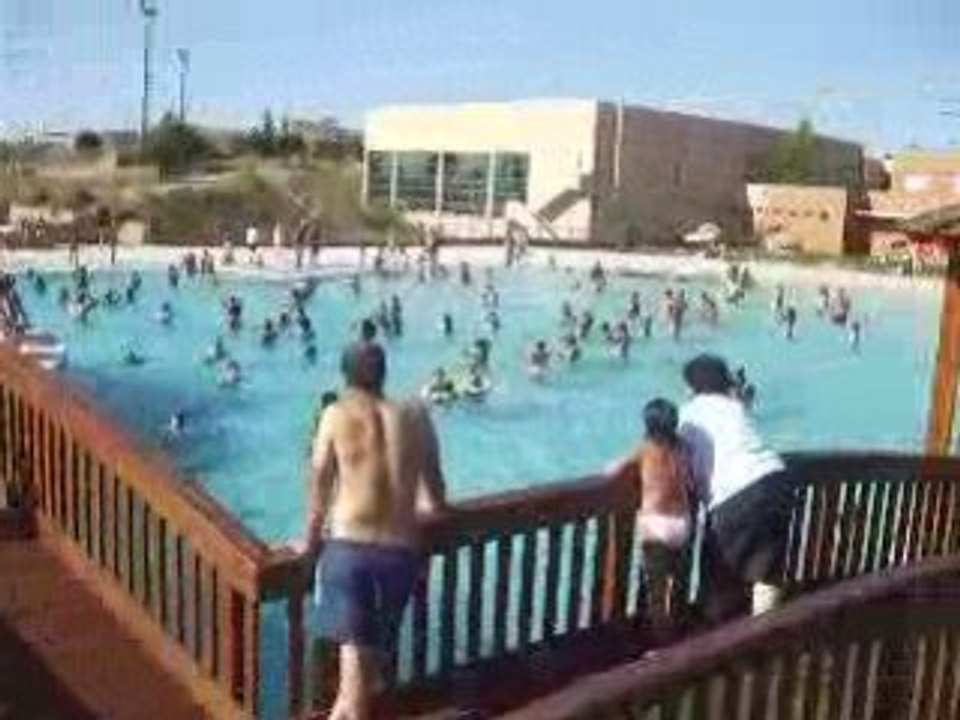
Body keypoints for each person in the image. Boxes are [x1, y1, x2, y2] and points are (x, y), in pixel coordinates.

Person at [295, 342, 449, 720]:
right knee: (362, 680)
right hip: (401, 557)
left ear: (345, 378)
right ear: (384, 373)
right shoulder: (415, 414)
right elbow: (436, 497)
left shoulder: (334, 415)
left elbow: (318, 483)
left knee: (354, 688)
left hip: (350, 555)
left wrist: (308, 543)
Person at [678, 355, 791, 623]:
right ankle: (764, 636)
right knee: (766, 570)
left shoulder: (688, 416)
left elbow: (683, 467)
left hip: (734, 492)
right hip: (775, 479)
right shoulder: (735, 407)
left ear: (691, 386)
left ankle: (720, 647)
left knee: (719, 576)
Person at [605, 398, 694, 632]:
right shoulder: (683, 447)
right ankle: (678, 627)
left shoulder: (645, 449)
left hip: (656, 524)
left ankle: (662, 642)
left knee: (656, 588)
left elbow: (613, 470)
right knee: (677, 584)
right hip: (682, 524)